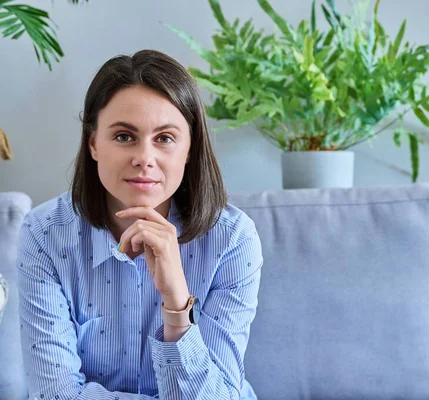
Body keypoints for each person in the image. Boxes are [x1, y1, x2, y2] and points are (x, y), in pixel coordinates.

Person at [16, 49, 263, 400]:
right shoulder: (44, 234)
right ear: (93, 145)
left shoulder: (232, 239)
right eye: (124, 136)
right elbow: (55, 395)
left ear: (189, 149)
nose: (144, 159)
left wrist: (177, 302)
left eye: (164, 138)